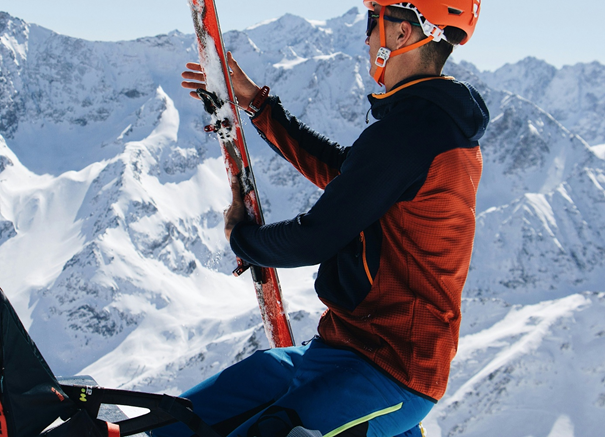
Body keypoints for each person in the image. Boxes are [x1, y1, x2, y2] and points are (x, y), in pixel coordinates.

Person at [157, 1, 489, 436]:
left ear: (402, 33)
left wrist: (242, 238)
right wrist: (258, 104)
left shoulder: (417, 133)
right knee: (177, 421)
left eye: (374, 20)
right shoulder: (425, 125)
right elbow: (345, 172)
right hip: (341, 348)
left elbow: (315, 238)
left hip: (390, 373)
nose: (367, 37)